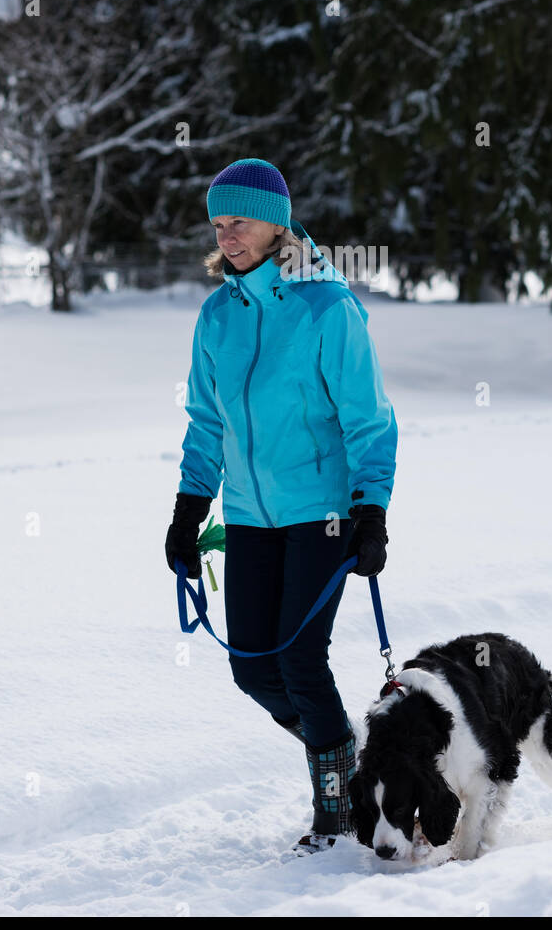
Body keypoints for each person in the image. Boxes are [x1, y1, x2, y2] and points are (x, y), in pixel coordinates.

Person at [164, 158, 397, 854]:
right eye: (217, 222)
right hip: (248, 519)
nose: (225, 233)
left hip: (322, 512)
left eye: (238, 220)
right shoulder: (216, 316)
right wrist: (185, 511)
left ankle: (337, 808)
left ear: (276, 222)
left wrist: (371, 511)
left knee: (299, 660)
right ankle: (341, 756)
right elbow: (206, 423)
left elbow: (368, 419)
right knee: (251, 667)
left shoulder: (327, 306)